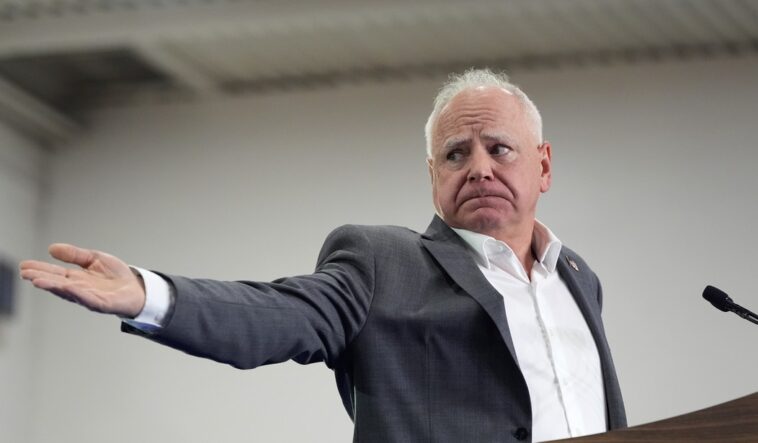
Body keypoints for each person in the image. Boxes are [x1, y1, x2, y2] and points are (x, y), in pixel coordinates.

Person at [20, 69, 626, 442]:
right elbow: (276, 314)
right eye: (456, 154)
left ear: (543, 165)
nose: (479, 168)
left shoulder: (578, 279)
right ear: (432, 175)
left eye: (500, 148)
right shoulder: (383, 262)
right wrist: (151, 295)